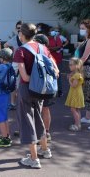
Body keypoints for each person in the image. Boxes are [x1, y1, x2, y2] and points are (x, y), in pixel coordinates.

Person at [14, 23, 55, 169]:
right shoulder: (43, 48)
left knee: (27, 121)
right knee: (38, 117)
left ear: (22, 35)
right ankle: (45, 150)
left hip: (27, 89)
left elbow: (24, 77)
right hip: (41, 90)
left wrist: (34, 79)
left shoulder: (20, 51)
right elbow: (54, 69)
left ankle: (33, 158)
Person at [4, 20, 23, 110]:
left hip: (26, 63)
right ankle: (13, 103)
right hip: (15, 63)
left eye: (21, 28)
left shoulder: (28, 38)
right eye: (18, 28)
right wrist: (10, 54)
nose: (20, 29)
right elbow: (5, 45)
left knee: (25, 84)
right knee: (13, 83)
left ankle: (23, 104)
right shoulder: (14, 38)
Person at [65, 57, 85, 131]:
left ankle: (77, 124)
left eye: (71, 65)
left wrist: (70, 80)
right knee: (76, 109)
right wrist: (70, 76)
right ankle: (78, 123)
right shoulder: (76, 74)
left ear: (76, 65)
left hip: (76, 94)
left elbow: (74, 85)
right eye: (69, 64)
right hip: (75, 93)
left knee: (73, 109)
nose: (69, 66)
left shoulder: (77, 75)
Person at [48, 27, 64, 97]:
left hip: (58, 60)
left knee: (58, 76)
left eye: (54, 31)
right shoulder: (47, 39)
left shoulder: (57, 38)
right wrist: (54, 48)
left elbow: (60, 46)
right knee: (50, 75)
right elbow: (47, 48)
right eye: (52, 31)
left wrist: (51, 49)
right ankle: (51, 91)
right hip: (50, 60)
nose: (53, 32)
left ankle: (59, 91)